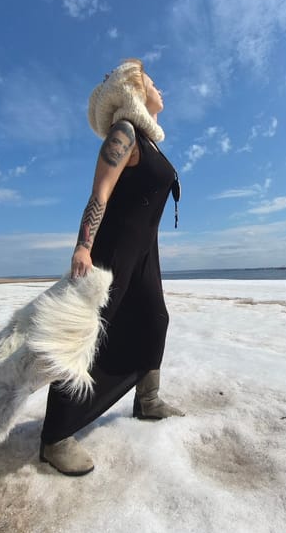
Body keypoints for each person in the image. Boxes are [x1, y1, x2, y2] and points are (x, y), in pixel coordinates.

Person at [39, 58, 185, 476]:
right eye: (152, 82)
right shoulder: (125, 132)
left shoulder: (149, 140)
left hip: (144, 253)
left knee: (155, 320)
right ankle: (55, 437)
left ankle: (147, 400)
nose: (160, 88)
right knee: (91, 334)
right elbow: (100, 192)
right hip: (114, 249)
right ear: (134, 90)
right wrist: (83, 247)